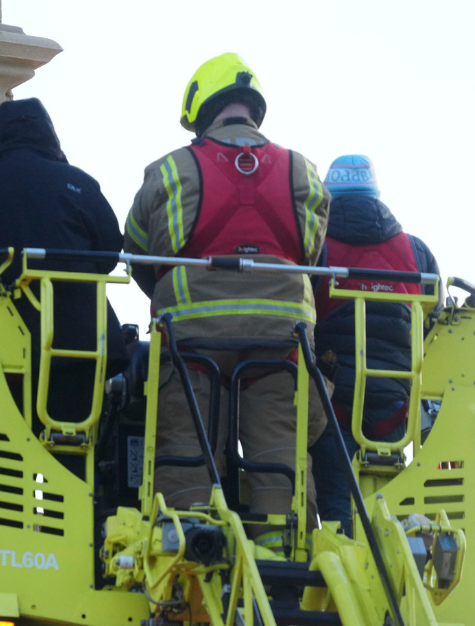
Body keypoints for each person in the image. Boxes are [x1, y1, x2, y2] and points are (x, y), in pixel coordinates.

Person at [122, 53, 329, 553]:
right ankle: (282, 553)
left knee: (186, 451)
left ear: (200, 111)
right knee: (281, 450)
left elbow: (135, 251)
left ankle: (190, 547)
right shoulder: (302, 170)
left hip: (192, 340)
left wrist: (173, 295)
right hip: (283, 339)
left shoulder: (171, 169)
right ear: (253, 109)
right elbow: (313, 251)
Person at [0, 98, 128, 445]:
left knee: (0, 463)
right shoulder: (79, 184)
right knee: (72, 457)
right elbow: (110, 251)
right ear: (50, 136)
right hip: (79, 347)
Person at [309, 155, 439, 537]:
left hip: (334, 402)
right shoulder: (417, 253)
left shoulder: (317, 248)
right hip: (396, 409)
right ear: (377, 196)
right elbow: (435, 323)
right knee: (388, 504)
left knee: (336, 506)